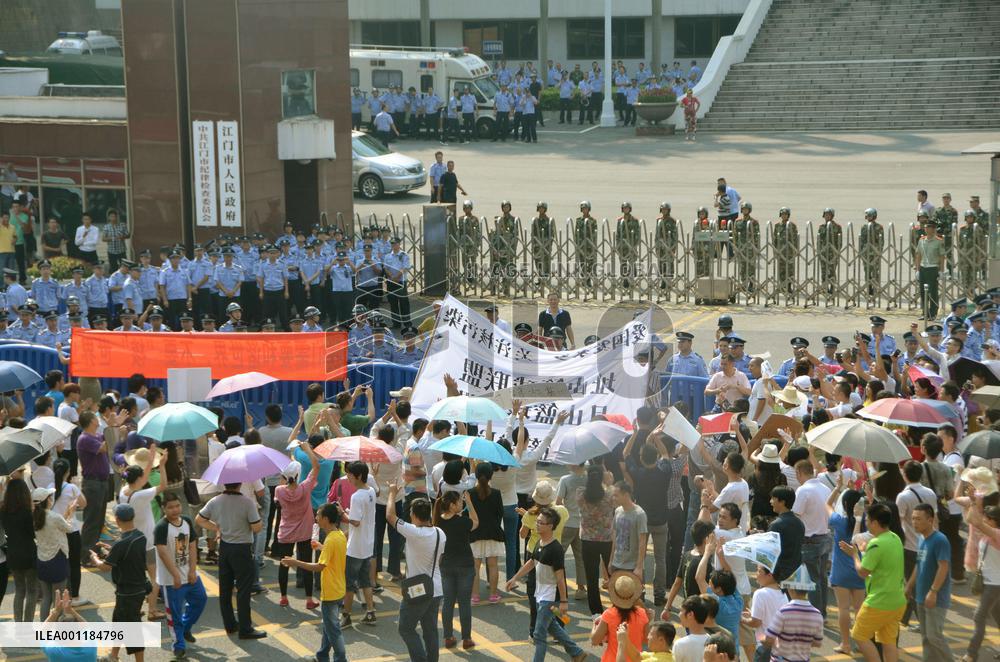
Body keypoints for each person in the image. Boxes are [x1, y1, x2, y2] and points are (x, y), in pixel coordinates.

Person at [506, 505, 588, 662]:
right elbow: (531, 562)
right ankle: (577, 652)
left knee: (538, 634)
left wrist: (563, 601)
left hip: (550, 597)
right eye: (537, 521)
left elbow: (560, 577)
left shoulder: (555, 549)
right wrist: (514, 578)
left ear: (550, 526)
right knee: (552, 626)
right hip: (540, 593)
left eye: (541, 523)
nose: (537, 524)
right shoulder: (540, 542)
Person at [196, 481, 266, 639]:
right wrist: (258, 517)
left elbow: (199, 519)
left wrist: (217, 528)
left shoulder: (215, 500)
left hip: (225, 547)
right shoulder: (247, 502)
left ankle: (230, 625)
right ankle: (245, 628)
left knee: (225, 589)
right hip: (242, 549)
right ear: (240, 484)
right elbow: (257, 528)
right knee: (244, 590)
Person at [838, 502, 906, 662]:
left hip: (879, 601)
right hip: (897, 601)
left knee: (858, 635)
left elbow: (862, 572)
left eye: (867, 520)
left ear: (875, 522)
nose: (866, 523)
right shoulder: (895, 538)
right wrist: (863, 551)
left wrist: (855, 555)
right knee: (888, 641)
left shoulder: (876, 544)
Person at [386, 482, 446, 662]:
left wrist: (392, 492)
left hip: (417, 589)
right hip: (436, 588)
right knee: (430, 630)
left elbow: (390, 516)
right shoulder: (440, 533)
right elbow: (439, 560)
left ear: (413, 515)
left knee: (405, 628)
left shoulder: (413, 532)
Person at [281, 503, 348, 662]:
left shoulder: (331, 540)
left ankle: (341, 659)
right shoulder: (339, 535)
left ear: (326, 519)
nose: (316, 517)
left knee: (333, 630)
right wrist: (320, 547)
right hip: (339, 589)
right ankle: (322, 656)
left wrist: (295, 562)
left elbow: (319, 567)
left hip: (331, 592)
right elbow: (332, 554)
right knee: (328, 626)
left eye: (318, 515)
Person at [89, 504, 149, 662]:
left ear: (116, 519)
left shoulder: (121, 544)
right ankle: (113, 656)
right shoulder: (140, 536)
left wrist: (94, 558)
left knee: (132, 629)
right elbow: (127, 555)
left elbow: (105, 567)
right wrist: (111, 549)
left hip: (127, 592)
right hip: (139, 587)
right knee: (119, 623)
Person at [155, 491, 207, 659]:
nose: (175, 510)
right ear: (164, 508)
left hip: (189, 575)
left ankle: (185, 628)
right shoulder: (161, 527)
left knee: (200, 599)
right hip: (171, 580)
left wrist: (192, 570)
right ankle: (178, 646)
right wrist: (175, 575)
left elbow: (192, 545)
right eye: (171, 507)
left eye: (177, 506)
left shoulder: (186, 521)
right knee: (174, 614)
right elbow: (162, 553)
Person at [118, 446, 168, 621]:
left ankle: (136, 608)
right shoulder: (142, 495)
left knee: (136, 578)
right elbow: (163, 485)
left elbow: (143, 478)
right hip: (146, 542)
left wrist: (151, 460)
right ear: (139, 479)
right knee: (154, 578)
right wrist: (162, 465)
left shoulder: (123, 492)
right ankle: (152, 610)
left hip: (131, 540)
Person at [274, 441, 319, 609]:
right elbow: (316, 467)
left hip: (286, 532)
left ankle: (283, 597)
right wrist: (308, 450)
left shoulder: (279, 490)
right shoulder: (305, 488)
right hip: (304, 531)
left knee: (284, 564)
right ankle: (309, 600)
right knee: (306, 564)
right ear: (299, 475)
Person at [905, 503, 953, 662]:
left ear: (930, 520)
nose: (914, 522)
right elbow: (919, 565)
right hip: (921, 596)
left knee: (934, 637)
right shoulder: (921, 538)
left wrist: (933, 591)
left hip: (935, 598)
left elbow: (943, 567)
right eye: (913, 518)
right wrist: (909, 586)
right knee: (926, 637)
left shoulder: (940, 540)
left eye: (918, 519)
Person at [434, 489, 479, 649]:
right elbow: (476, 522)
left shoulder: (438, 522)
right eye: (460, 501)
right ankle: (466, 639)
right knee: (464, 603)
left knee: (448, 602)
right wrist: (470, 502)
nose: (462, 503)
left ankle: (448, 637)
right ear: (453, 505)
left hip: (446, 566)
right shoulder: (462, 522)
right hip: (465, 565)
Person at [964, 496, 1000, 662]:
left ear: (994, 521)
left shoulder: (997, 534)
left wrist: (973, 502)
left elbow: (977, 522)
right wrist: (972, 501)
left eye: (987, 518)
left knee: (979, 616)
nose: (984, 520)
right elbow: (971, 519)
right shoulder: (988, 534)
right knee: (997, 614)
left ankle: (971, 654)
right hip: (988, 581)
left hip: (995, 584)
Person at [763, 565, 824, 662]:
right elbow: (817, 643)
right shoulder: (817, 615)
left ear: (791, 589)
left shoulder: (784, 612)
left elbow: (768, 640)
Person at [342, 461, 377, 627]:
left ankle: (346, 616)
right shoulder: (371, 491)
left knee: (349, 584)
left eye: (350, 474)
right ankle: (370, 612)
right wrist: (350, 514)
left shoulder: (356, 496)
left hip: (355, 547)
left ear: (359, 476)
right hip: (367, 544)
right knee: (365, 581)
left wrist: (342, 514)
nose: (348, 477)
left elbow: (355, 522)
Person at [33, 485, 74, 621]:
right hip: (57, 559)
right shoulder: (54, 517)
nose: (52, 499)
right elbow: (69, 528)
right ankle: (58, 628)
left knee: (46, 598)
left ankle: (45, 627)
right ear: (46, 501)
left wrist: (66, 515)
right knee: (59, 599)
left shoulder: (34, 517)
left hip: (42, 559)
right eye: (50, 498)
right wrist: (71, 513)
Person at [50, 460, 87, 606]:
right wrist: (77, 487)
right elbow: (84, 503)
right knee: (74, 563)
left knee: (60, 562)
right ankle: (75, 596)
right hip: (71, 530)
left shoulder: (49, 487)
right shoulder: (71, 488)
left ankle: (60, 596)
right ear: (68, 472)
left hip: (55, 530)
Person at [591, 571, 649, 662]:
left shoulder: (609, 614)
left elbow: (595, 640)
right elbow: (647, 640)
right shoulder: (642, 613)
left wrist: (594, 624)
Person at [77, 411, 112, 562]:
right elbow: (104, 447)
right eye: (95, 418)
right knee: (92, 521)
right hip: (93, 483)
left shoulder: (96, 436)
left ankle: (95, 550)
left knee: (99, 520)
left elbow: (110, 442)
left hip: (101, 482)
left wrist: (115, 429)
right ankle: (86, 555)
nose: (98, 420)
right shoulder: (85, 438)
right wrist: (111, 428)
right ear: (91, 421)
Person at [1, 478, 37, 621]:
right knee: (32, 591)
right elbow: (33, 534)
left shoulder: (3, 511)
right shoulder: (27, 512)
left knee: (19, 590)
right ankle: (27, 625)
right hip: (28, 553)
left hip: (12, 553)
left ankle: (18, 624)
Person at [469, 462, 504, 604]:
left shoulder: (470, 493)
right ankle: (493, 595)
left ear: (476, 476)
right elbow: (499, 513)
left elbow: (467, 514)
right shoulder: (496, 493)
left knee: (475, 566)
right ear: (491, 476)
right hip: (493, 532)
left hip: (475, 533)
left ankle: (475, 596)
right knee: (493, 565)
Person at [768, 486, 804, 582]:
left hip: (778, 574)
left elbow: (769, 552)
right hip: (795, 572)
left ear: (782, 502)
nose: (770, 502)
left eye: (773, 499)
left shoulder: (776, 525)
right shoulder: (799, 522)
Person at [672, 596, 711, 662]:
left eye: (681, 611)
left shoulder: (680, 644)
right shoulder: (713, 642)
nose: (679, 614)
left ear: (690, 614)